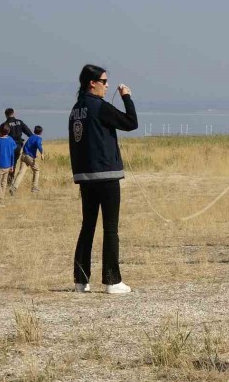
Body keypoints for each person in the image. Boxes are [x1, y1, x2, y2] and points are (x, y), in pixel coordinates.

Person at [69, 64, 137, 294]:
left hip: (85, 177)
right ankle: (112, 280)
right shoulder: (98, 107)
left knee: (87, 227)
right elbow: (131, 122)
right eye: (104, 82)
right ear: (93, 83)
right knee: (110, 228)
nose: (107, 86)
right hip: (106, 176)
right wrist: (127, 97)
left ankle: (81, 280)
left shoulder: (76, 109)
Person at [2, 108, 33, 186]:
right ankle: (10, 181)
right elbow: (29, 133)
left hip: (9, 147)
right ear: (14, 113)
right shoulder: (20, 122)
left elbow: (2, 135)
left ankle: (5, 181)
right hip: (18, 146)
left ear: (5, 115)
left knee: (6, 163)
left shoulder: (5, 124)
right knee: (14, 164)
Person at [10, 125, 44, 195]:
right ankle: (34, 188)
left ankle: (14, 187)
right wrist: (42, 153)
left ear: (34, 131)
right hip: (29, 157)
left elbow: (26, 146)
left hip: (23, 155)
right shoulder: (39, 138)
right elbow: (38, 144)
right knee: (36, 170)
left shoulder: (31, 137)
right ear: (41, 132)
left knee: (21, 172)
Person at [0, 124, 16, 206]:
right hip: (8, 165)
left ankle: (1, 201)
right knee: (4, 182)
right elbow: (12, 154)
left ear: (0, 131)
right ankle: (2, 199)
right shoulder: (10, 140)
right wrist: (12, 165)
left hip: (0, 165)